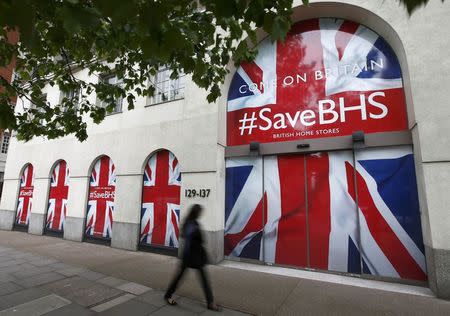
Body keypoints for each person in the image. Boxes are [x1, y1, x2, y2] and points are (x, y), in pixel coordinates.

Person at [164, 204, 220, 311]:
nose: (201, 214)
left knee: (182, 277)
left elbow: (186, 237)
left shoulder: (191, 222)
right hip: (192, 256)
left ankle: (168, 295)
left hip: (192, 256)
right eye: (199, 212)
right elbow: (192, 239)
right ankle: (210, 303)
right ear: (196, 213)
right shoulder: (192, 224)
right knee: (201, 279)